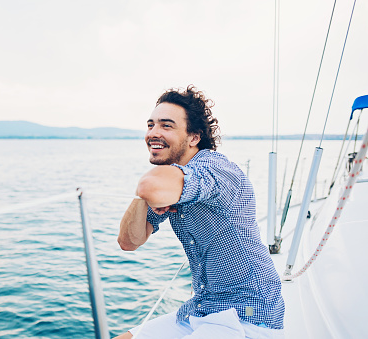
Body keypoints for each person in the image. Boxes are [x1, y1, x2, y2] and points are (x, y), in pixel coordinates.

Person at [115, 86, 285, 339]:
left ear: (194, 137)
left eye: (166, 125)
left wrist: (150, 189)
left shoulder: (215, 169)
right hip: (202, 309)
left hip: (248, 315)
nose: (153, 133)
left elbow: (151, 185)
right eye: (150, 125)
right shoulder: (171, 180)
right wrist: (145, 197)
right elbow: (129, 242)